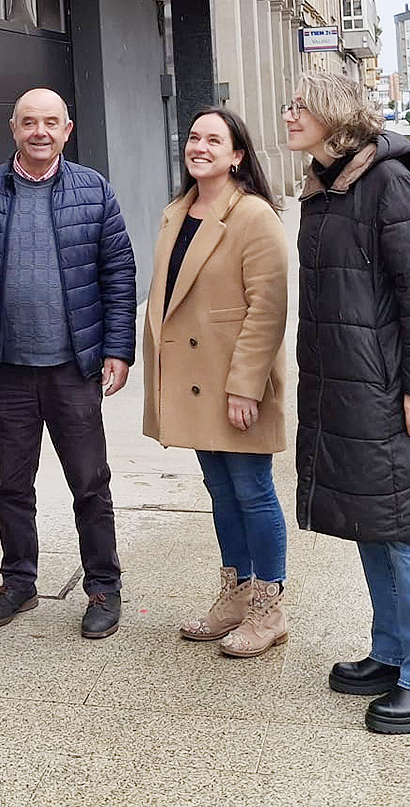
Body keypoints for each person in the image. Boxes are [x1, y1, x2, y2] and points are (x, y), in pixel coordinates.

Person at [285, 70, 410, 735]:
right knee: (374, 526)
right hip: (348, 388)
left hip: (392, 389)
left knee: (406, 529)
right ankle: (394, 652)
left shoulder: (385, 183)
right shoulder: (328, 188)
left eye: (299, 106)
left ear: (333, 116)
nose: (288, 115)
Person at [0, 89, 136, 640]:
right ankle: (18, 581)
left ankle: (103, 587)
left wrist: (117, 348)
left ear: (68, 129)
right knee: (11, 485)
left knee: (90, 482)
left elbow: (119, 273)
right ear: (13, 128)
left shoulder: (94, 190)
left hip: (73, 367)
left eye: (51, 123)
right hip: (5, 369)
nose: (40, 132)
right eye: (29, 123)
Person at [143, 108, 291, 658]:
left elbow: (268, 308)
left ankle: (268, 607)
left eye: (214, 139)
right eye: (193, 137)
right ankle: (234, 594)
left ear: (238, 155)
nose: (199, 146)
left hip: (234, 382)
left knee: (253, 491)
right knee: (221, 492)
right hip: (192, 381)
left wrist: (245, 386)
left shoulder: (253, 216)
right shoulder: (176, 212)